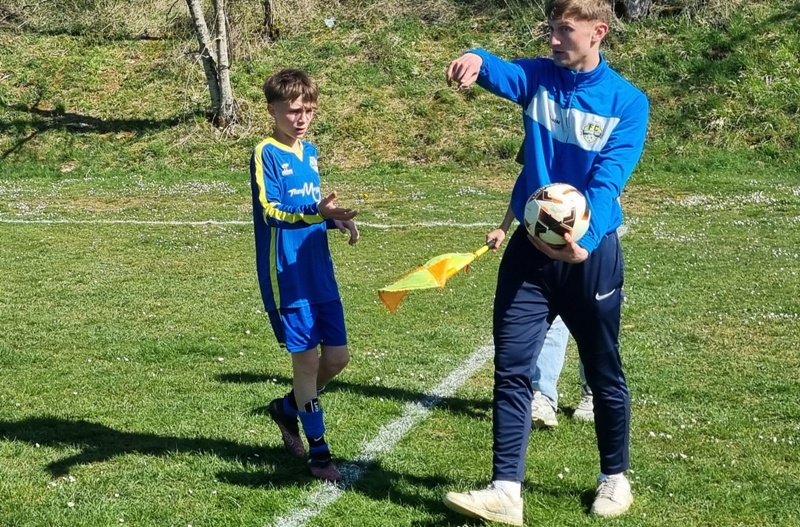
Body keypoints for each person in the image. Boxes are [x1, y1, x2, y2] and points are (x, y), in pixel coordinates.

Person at [442, 0, 649, 524]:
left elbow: (607, 181)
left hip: (589, 256)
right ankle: (505, 491)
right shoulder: (538, 78)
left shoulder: (627, 102)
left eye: (565, 31)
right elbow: (501, 71)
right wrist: (475, 57)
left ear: (598, 32)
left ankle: (614, 478)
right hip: (528, 253)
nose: (554, 40)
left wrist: (584, 241)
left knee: (603, 369)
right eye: (552, 29)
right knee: (512, 368)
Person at [249, 68, 360, 484]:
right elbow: (271, 211)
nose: (302, 119)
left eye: (309, 111)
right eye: (294, 110)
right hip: (287, 274)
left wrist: (333, 220)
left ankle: (286, 409)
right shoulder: (266, 152)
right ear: (272, 110)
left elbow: (312, 207)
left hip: (319, 270)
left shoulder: (309, 152)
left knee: (337, 359)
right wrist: (317, 212)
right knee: (308, 363)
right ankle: (319, 454)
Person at [511, 145, 595, 430]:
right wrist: (504, 225)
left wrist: (589, 235)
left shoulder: (598, 130)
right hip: (545, 236)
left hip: (587, 234)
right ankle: (543, 396)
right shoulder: (542, 126)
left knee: (590, 316)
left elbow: (609, 186)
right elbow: (527, 180)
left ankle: (594, 391)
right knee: (551, 313)